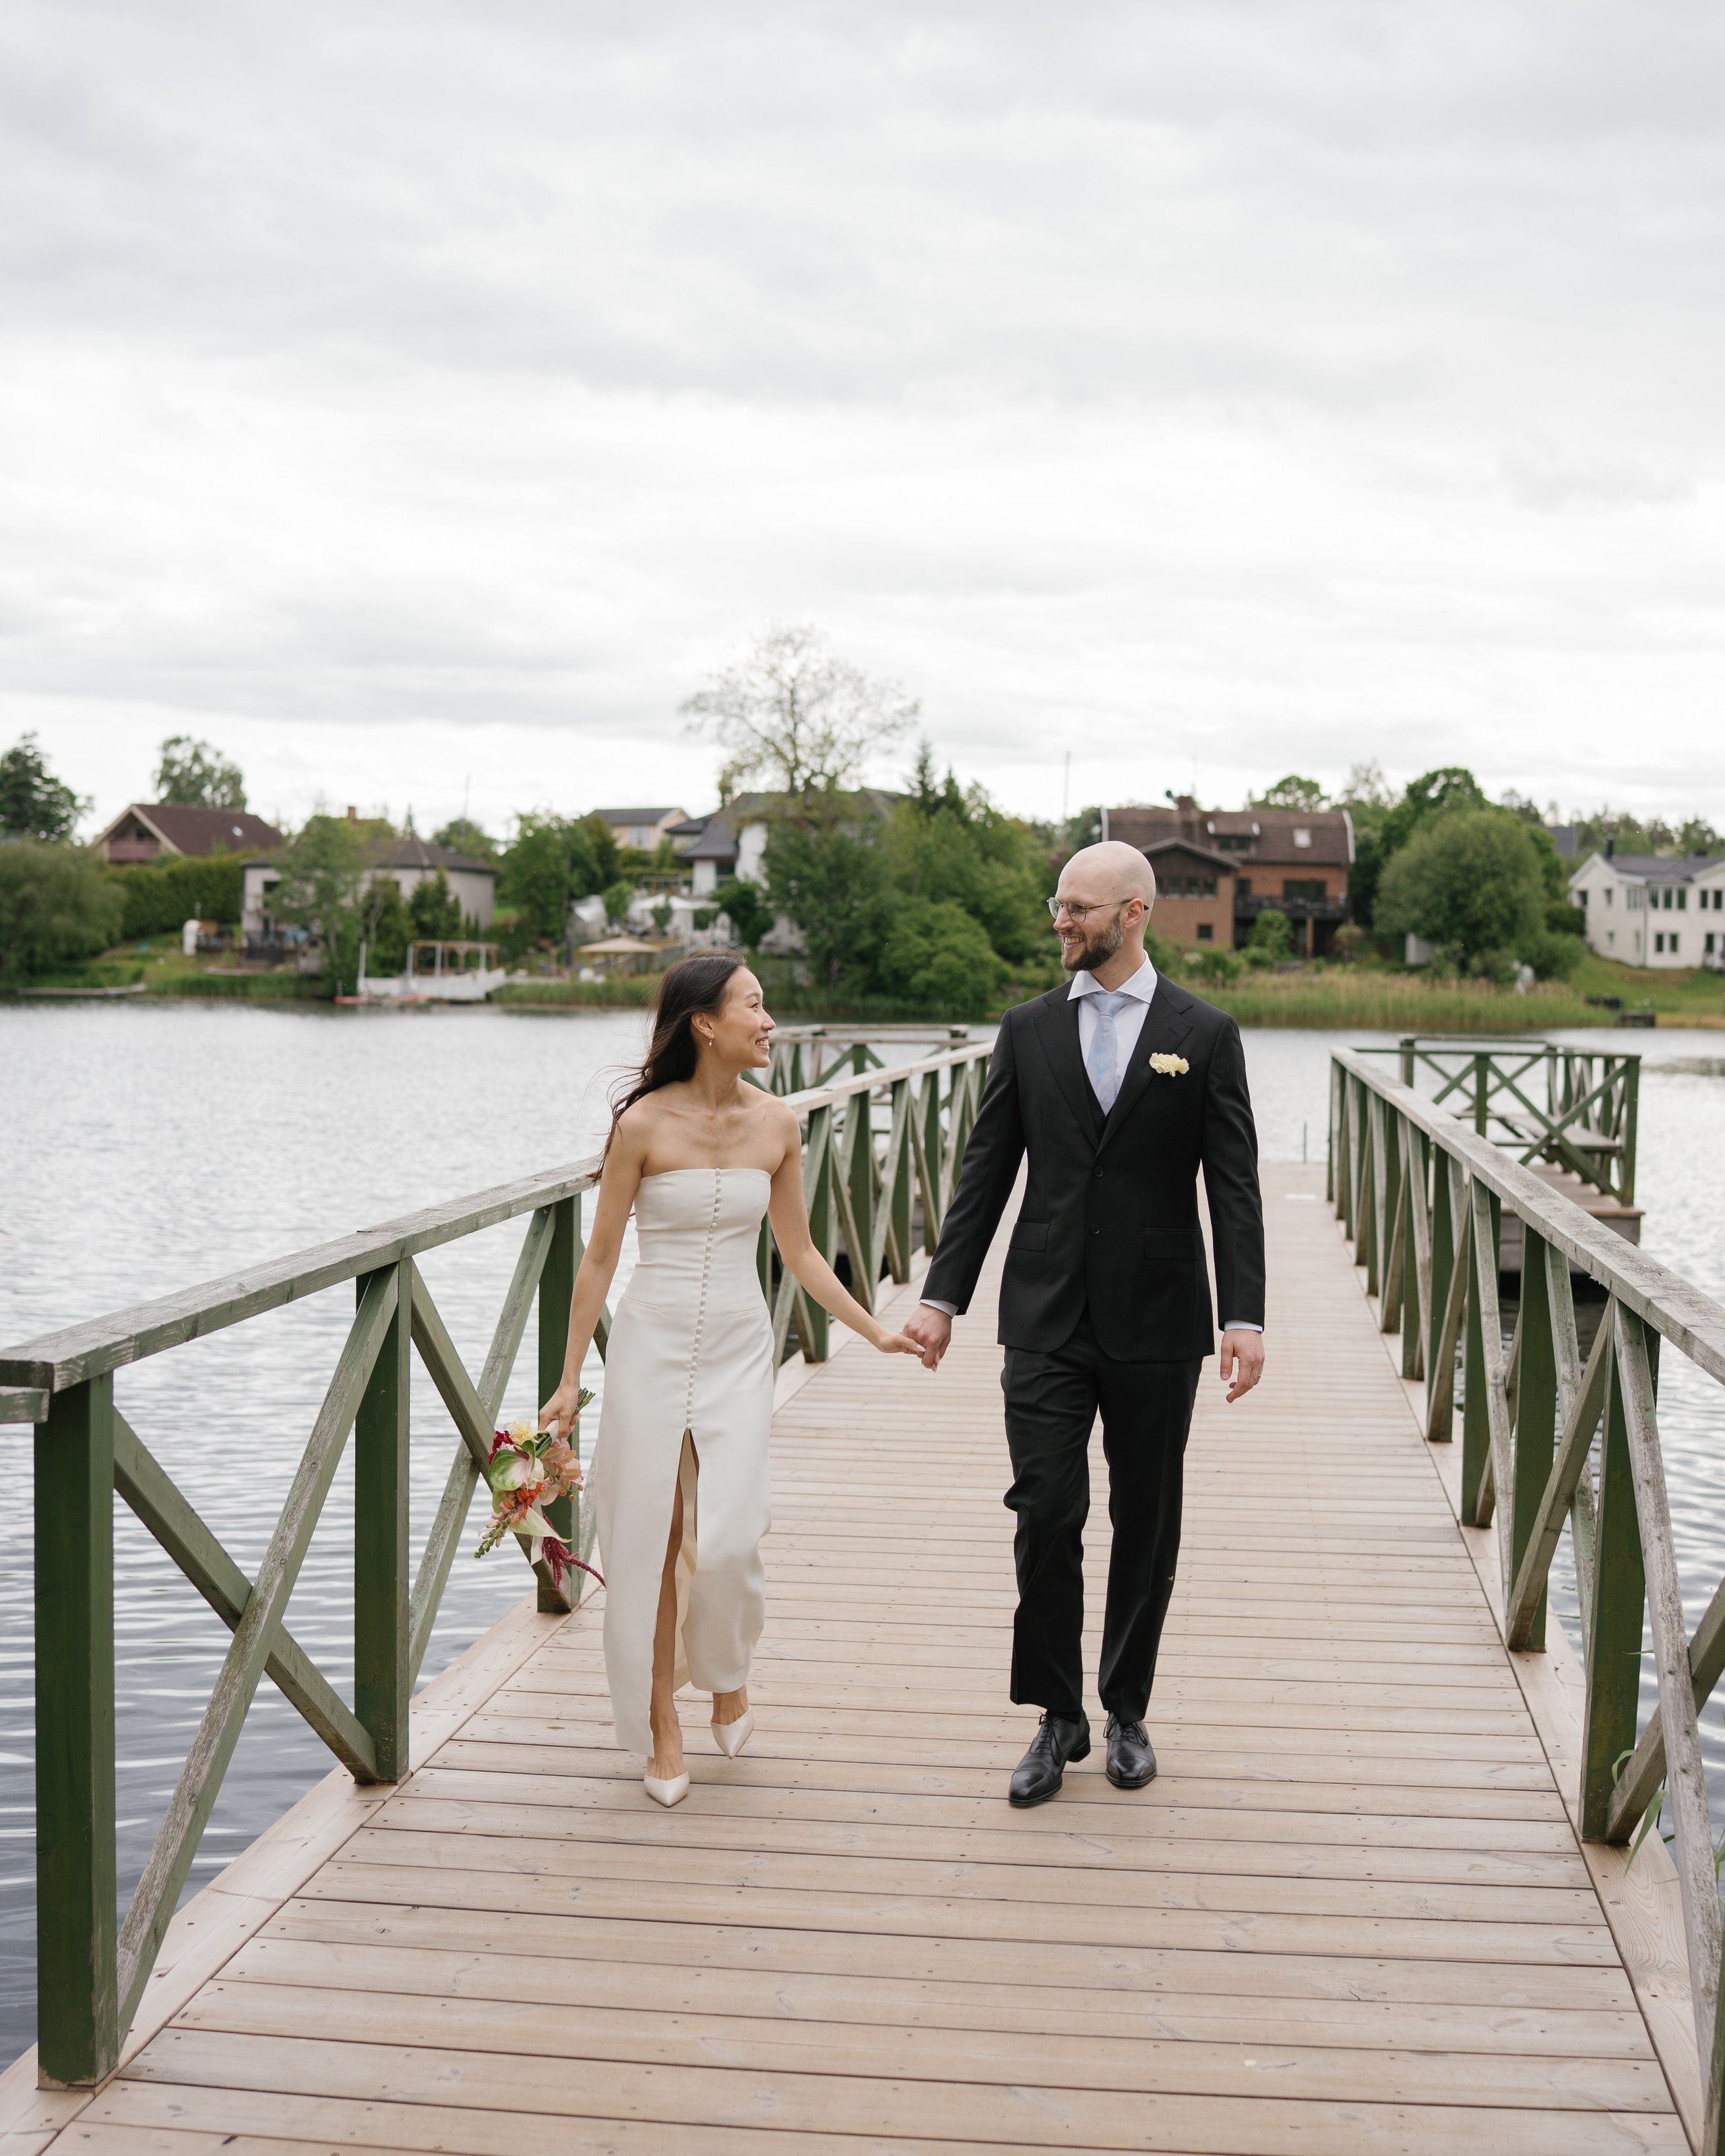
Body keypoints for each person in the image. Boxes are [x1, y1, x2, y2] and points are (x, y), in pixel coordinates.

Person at [902, 841, 1265, 1807]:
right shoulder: (1025, 1030)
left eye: (1077, 908)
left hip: (1159, 1318)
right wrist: (943, 1298)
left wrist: (1246, 1314)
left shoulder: (1206, 1031)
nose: (1060, 921)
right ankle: (1054, 1713)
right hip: (1046, 1313)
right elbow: (986, 1173)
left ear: (1134, 913)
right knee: (1048, 1510)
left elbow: (1232, 1184)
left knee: (1147, 1520)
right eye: (1057, 907)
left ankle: (1127, 1709)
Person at [539, 954, 925, 1807]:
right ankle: (661, 1727)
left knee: (728, 1531)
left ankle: (726, 1669)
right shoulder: (641, 1124)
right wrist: (569, 1379)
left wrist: (875, 1332)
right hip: (650, 1342)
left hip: (740, 1346)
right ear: (705, 1023)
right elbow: (599, 1255)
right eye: (755, 1005)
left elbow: (802, 1253)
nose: (771, 1019)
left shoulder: (778, 1124)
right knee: (651, 1531)